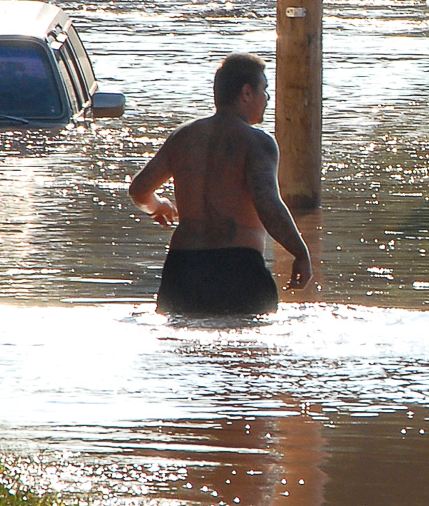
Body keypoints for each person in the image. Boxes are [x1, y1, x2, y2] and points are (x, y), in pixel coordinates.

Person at [129, 53, 313, 315]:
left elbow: (138, 190)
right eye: (264, 90)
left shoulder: (184, 136)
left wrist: (157, 205)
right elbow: (268, 205)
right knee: (249, 351)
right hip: (237, 267)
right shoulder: (256, 142)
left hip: (183, 269)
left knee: (185, 349)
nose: (267, 99)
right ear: (246, 92)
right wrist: (301, 252)